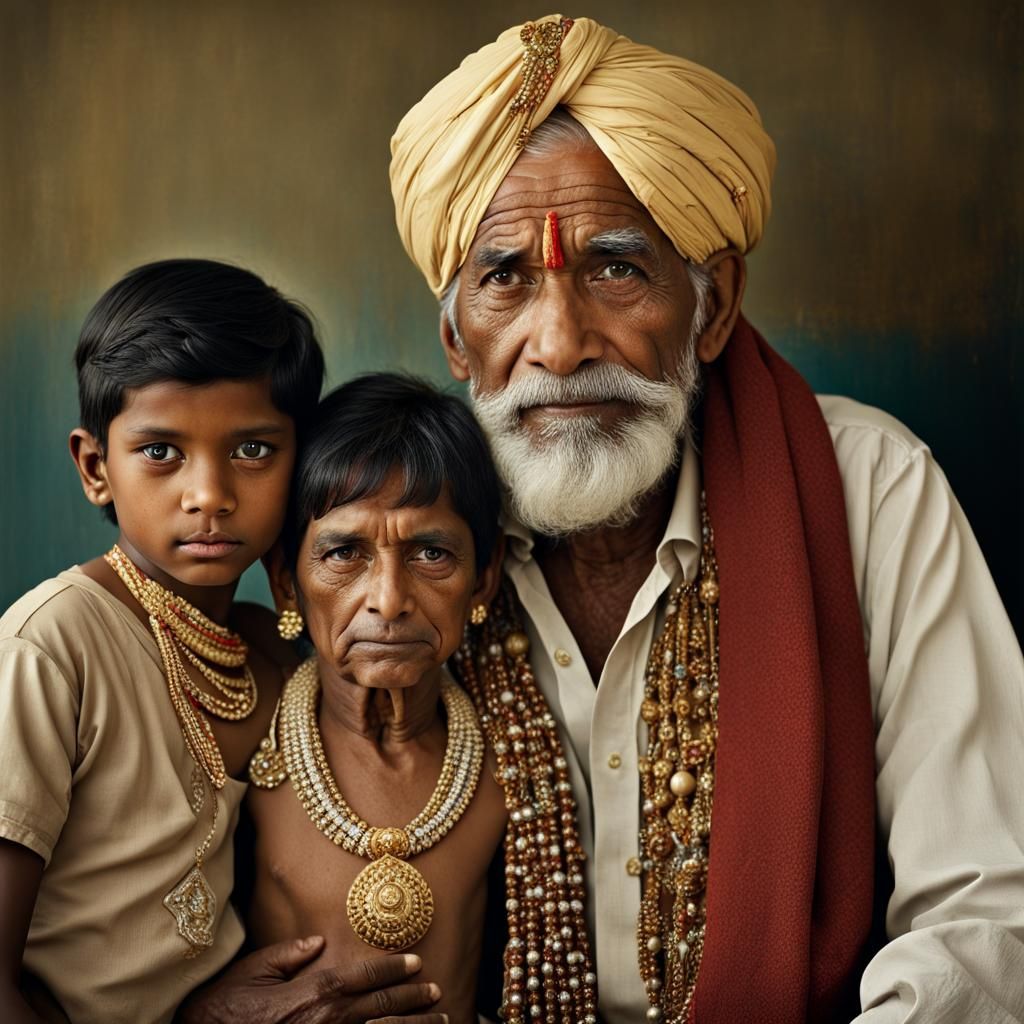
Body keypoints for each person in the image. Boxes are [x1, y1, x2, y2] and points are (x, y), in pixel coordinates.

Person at [389, 16, 1024, 1024]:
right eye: (505, 278)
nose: (558, 343)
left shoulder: (868, 490)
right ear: (456, 338)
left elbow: (986, 908)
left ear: (714, 304)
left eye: (614, 269)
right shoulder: (390, 540)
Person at [0, 262, 439, 1024]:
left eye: (253, 451)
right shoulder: (53, 646)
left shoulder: (274, 650)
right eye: (161, 453)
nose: (210, 493)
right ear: (96, 467)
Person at [243, 372, 597, 1024]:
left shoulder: (521, 769)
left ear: (484, 578)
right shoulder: (240, 741)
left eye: (431, 552)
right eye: (344, 552)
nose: (388, 599)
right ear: (286, 584)